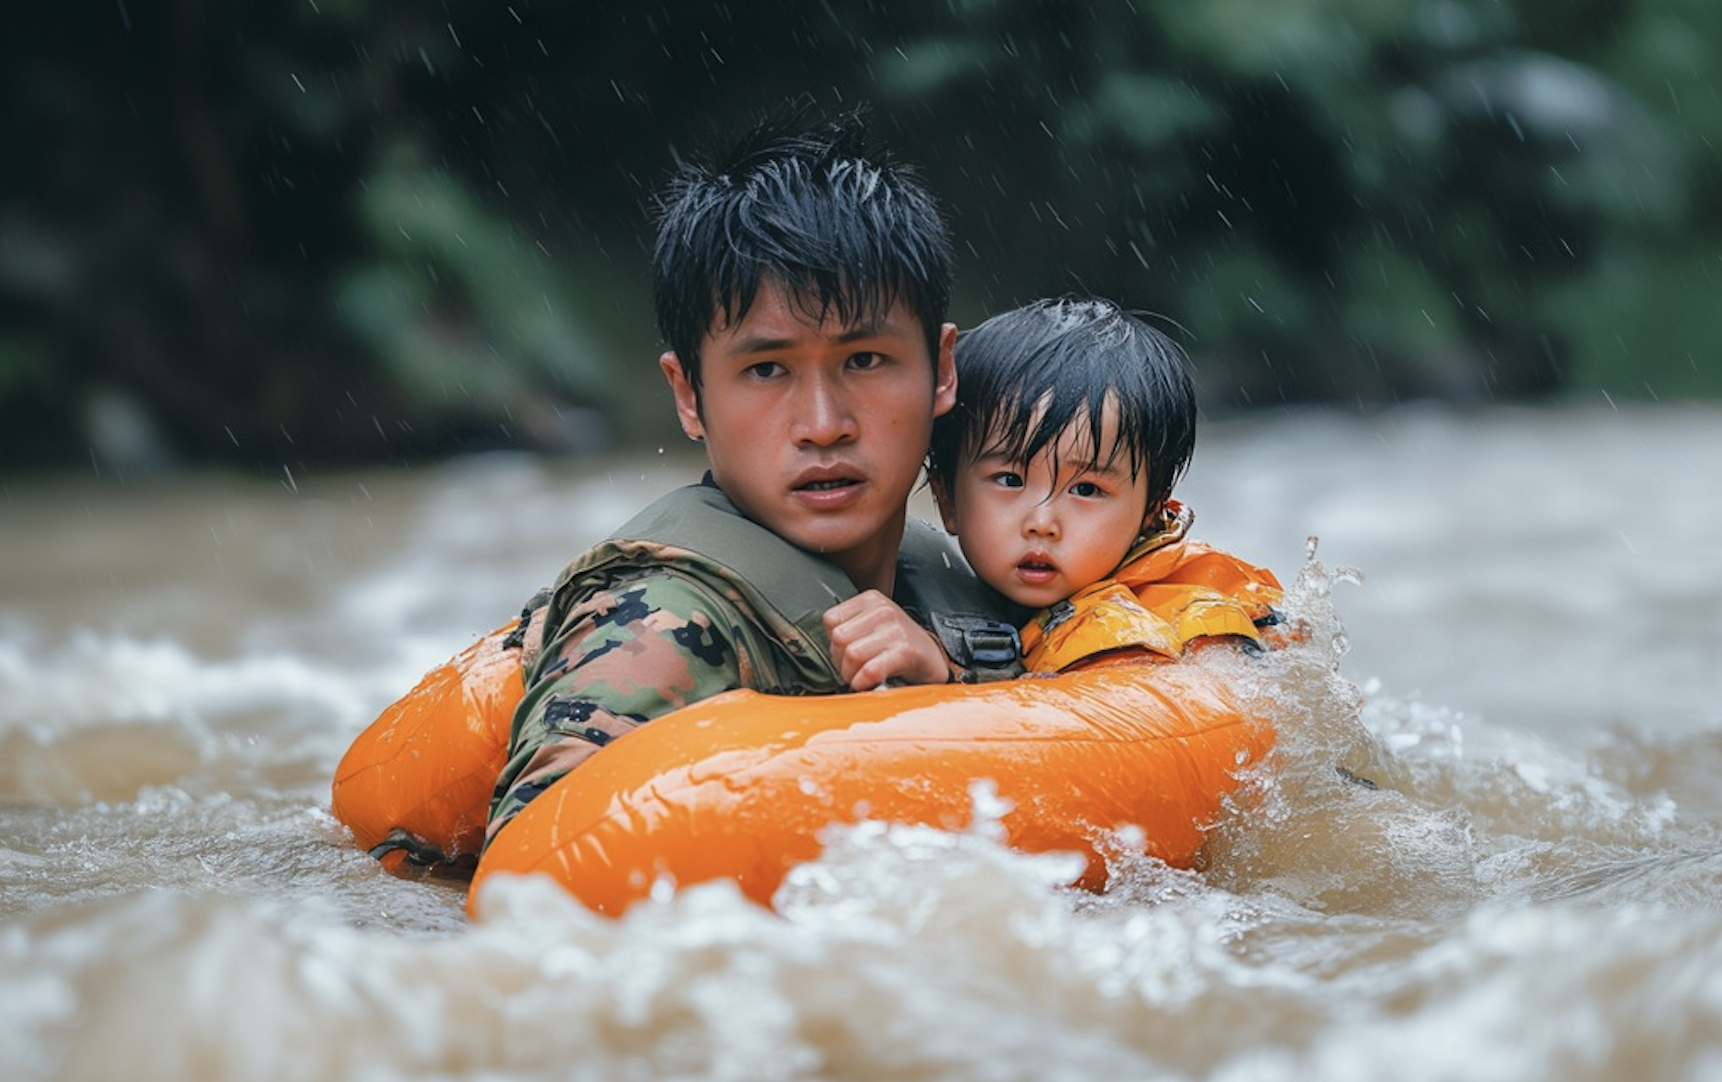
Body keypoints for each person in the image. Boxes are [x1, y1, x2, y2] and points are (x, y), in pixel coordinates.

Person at [485, 108, 1018, 844]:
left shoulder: (972, 577)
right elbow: (537, 877)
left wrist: (946, 691)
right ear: (688, 395)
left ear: (943, 369)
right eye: (767, 371)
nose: (824, 423)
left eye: (865, 360)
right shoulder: (661, 625)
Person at [835, 296, 1284, 682]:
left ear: (1151, 511)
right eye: (1009, 481)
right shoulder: (955, 596)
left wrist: (950, 673)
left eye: (1087, 489)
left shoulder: (1148, 630)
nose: (1042, 523)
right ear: (946, 499)